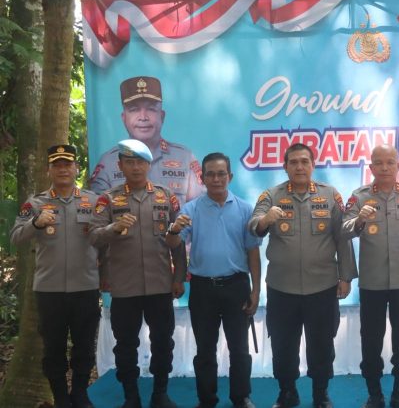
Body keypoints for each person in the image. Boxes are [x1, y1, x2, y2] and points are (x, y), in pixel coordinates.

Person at [248, 143, 356, 408]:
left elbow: (342, 237)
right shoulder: (271, 195)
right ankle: (287, 392)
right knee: (283, 345)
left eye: (304, 162)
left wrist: (345, 277)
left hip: (322, 287)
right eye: (293, 162)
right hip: (282, 288)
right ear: (285, 166)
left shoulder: (330, 195)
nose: (299, 167)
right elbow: (254, 223)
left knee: (322, 345)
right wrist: (265, 221)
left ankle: (321, 393)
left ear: (313, 165)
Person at [89, 139, 186, 408]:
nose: (135, 167)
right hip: (124, 286)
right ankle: (131, 396)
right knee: (125, 345)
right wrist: (114, 228)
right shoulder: (108, 199)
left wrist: (179, 277)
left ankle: (160, 394)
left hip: (160, 284)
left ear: (148, 165)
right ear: (120, 165)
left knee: (163, 342)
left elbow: (177, 241)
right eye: (129, 162)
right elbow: (94, 237)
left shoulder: (166, 197)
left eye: (140, 162)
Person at [166, 152, 261, 408]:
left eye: (221, 174)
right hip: (203, 289)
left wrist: (255, 291)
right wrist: (174, 229)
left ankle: (241, 397)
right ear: (202, 178)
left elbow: (253, 252)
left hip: (236, 286)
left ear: (230, 176)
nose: (216, 179)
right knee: (205, 350)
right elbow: (173, 243)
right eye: (210, 174)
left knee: (239, 349)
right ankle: (207, 399)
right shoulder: (191, 209)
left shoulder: (245, 209)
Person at [10, 145, 101, 408]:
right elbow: (15, 237)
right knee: (53, 348)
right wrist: (35, 223)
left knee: (85, 345)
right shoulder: (35, 203)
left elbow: (105, 240)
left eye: (67, 164)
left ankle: (80, 394)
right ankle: (61, 397)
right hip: (49, 291)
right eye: (57, 165)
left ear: (76, 169)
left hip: (85, 287)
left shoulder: (94, 201)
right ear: (48, 170)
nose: (62, 169)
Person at [342, 144, 399, 408]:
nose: (384, 167)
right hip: (372, 283)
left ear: (398, 166)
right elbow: (344, 230)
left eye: (390, 162)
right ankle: (374, 394)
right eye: (378, 163)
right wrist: (359, 219)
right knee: (370, 340)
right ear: (370, 167)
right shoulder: (359, 197)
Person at [89, 76, 204, 204]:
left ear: (162, 116)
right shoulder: (108, 162)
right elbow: (99, 209)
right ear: (124, 118)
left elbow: (199, 207)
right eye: (134, 110)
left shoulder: (185, 158)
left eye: (151, 109)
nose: (143, 117)